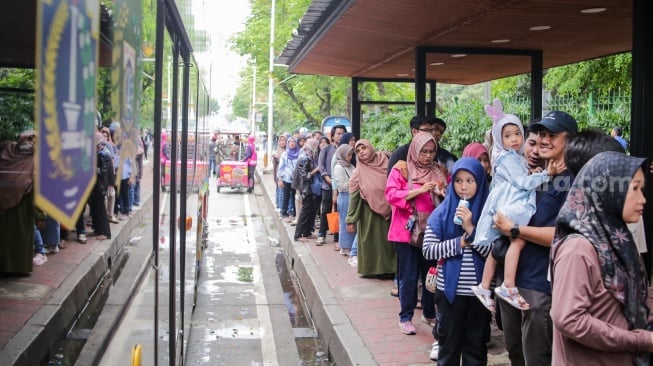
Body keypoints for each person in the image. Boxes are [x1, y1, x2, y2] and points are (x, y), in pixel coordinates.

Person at [550, 151, 653, 365]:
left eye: (642, 189)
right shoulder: (578, 249)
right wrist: (640, 340)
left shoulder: (616, 238)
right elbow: (568, 320)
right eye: (634, 189)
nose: (643, 199)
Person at [492, 110, 578, 366]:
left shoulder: (572, 181)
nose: (543, 139)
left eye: (552, 134)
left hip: (539, 285)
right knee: (515, 352)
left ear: (570, 140)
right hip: (510, 281)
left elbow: (565, 236)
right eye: (540, 133)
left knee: (537, 358)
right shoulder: (536, 176)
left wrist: (516, 229)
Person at [471, 100, 559, 312]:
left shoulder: (511, 158)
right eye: (507, 135)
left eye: (517, 133)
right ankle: (508, 285)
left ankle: (485, 286)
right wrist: (547, 174)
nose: (513, 139)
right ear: (499, 139)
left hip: (505, 203)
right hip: (510, 205)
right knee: (517, 240)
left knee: (498, 246)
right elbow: (521, 182)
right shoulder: (508, 159)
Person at [422, 157, 491, 365]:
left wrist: (471, 229)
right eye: (459, 181)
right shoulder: (441, 214)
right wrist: (459, 243)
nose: (464, 187)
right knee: (448, 347)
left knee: (476, 349)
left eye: (470, 181)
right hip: (449, 293)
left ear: (480, 182)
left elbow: (492, 253)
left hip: (479, 294)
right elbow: (428, 250)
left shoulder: (489, 214)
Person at [385, 132, 447, 335]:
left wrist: (440, 194)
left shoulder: (440, 171)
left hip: (432, 231)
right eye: (423, 152)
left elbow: (450, 197)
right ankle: (405, 316)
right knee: (409, 276)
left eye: (431, 152)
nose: (428, 156)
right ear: (414, 150)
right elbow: (391, 194)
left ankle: (429, 313)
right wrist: (419, 191)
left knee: (431, 275)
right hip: (407, 232)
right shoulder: (402, 169)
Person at [346, 139, 396, 277]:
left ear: (370, 148)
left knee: (389, 242)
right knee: (373, 242)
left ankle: (391, 269)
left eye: (364, 148)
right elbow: (354, 196)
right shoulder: (358, 171)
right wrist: (350, 219)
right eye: (358, 151)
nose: (361, 152)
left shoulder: (386, 160)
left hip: (391, 210)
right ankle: (373, 270)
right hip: (369, 213)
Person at [0, 130, 38, 274]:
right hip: (22, 205)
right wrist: (40, 214)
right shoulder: (28, 158)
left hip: (14, 204)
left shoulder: (8, 151)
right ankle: (18, 268)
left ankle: (9, 267)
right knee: (17, 238)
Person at [317, 125, 345, 245]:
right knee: (326, 209)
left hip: (342, 186)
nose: (340, 136)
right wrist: (328, 178)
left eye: (342, 133)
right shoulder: (327, 149)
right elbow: (321, 166)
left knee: (340, 210)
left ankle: (337, 237)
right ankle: (321, 234)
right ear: (332, 136)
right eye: (338, 133)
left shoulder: (346, 149)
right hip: (327, 185)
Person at [293, 138, 322, 241]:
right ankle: (298, 235)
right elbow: (305, 176)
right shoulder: (304, 159)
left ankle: (307, 232)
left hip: (310, 189)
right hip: (306, 189)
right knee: (305, 212)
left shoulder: (310, 157)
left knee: (311, 212)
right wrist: (316, 169)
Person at [332, 144, 356, 255]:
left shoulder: (350, 166)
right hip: (345, 196)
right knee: (345, 221)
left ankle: (351, 246)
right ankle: (345, 247)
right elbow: (341, 186)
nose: (350, 157)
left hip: (352, 196)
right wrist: (354, 182)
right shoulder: (338, 167)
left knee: (352, 221)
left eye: (351, 155)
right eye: (348, 155)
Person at [277, 136, 299, 222]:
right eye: (290, 142)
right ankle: (284, 213)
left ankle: (293, 213)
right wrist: (280, 179)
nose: (292, 143)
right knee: (286, 195)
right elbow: (281, 167)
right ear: (288, 144)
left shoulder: (299, 153)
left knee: (295, 196)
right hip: (286, 178)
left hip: (296, 179)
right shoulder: (285, 154)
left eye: (294, 142)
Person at [272, 134, 288, 211]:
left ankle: (282, 207)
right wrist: (275, 177)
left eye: (284, 140)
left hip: (287, 175)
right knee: (280, 191)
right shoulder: (276, 153)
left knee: (284, 192)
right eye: (280, 140)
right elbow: (274, 166)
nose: (282, 142)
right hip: (279, 175)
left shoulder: (289, 151)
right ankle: (279, 206)